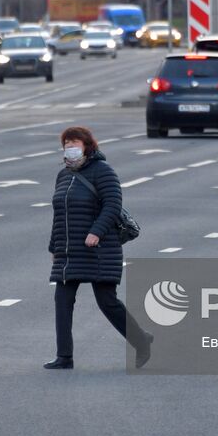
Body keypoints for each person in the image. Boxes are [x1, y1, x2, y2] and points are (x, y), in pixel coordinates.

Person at [45, 126, 153, 370]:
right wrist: (54, 246)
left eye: (75, 143)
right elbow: (59, 214)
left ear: (87, 146)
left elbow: (113, 205)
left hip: (100, 248)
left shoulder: (102, 171)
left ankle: (141, 340)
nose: (70, 148)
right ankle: (64, 357)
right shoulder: (63, 176)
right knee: (62, 299)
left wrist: (96, 231)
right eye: (67, 143)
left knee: (107, 301)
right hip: (68, 249)